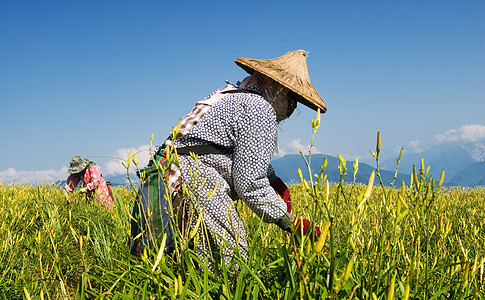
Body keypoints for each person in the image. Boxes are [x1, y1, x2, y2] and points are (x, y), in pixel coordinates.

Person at [158, 50, 327, 265]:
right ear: (276, 88)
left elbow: (234, 150)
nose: (294, 106)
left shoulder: (233, 96)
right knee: (231, 257)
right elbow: (249, 184)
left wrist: (274, 180)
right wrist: (289, 222)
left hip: (169, 177)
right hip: (195, 181)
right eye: (292, 96)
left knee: (184, 259)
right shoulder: (260, 108)